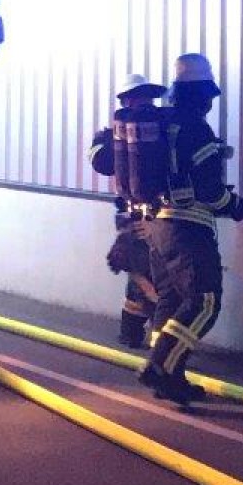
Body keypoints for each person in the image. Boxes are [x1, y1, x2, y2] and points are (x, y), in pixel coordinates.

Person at [139, 52, 243, 404]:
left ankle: (171, 377)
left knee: (171, 301)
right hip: (188, 230)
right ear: (201, 95)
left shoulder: (162, 124)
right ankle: (160, 366)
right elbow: (210, 191)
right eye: (208, 97)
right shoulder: (197, 129)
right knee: (204, 302)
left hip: (158, 226)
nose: (210, 103)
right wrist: (235, 205)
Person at [88, 73, 167, 348]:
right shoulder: (158, 128)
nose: (146, 102)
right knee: (147, 273)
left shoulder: (159, 129)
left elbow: (99, 161)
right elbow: (100, 161)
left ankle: (132, 334)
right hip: (150, 216)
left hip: (145, 214)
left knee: (143, 272)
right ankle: (157, 345)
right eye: (142, 97)